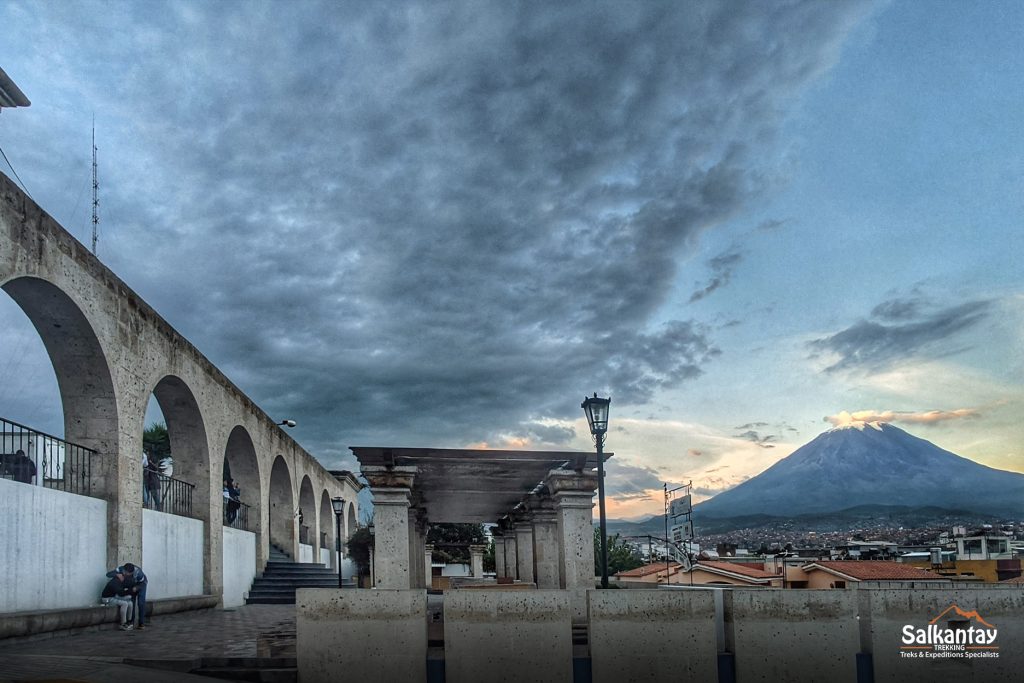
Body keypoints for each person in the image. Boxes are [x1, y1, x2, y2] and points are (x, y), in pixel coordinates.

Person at [107, 562, 149, 629]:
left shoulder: (139, 573)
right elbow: (108, 574)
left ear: (132, 573)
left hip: (141, 585)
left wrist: (137, 588)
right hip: (131, 585)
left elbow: (143, 583)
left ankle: (141, 623)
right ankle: (131, 622)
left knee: (141, 602)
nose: (125, 574)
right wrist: (117, 574)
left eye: (127, 574)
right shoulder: (121, 569)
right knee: (131, 601)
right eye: (125, 572)